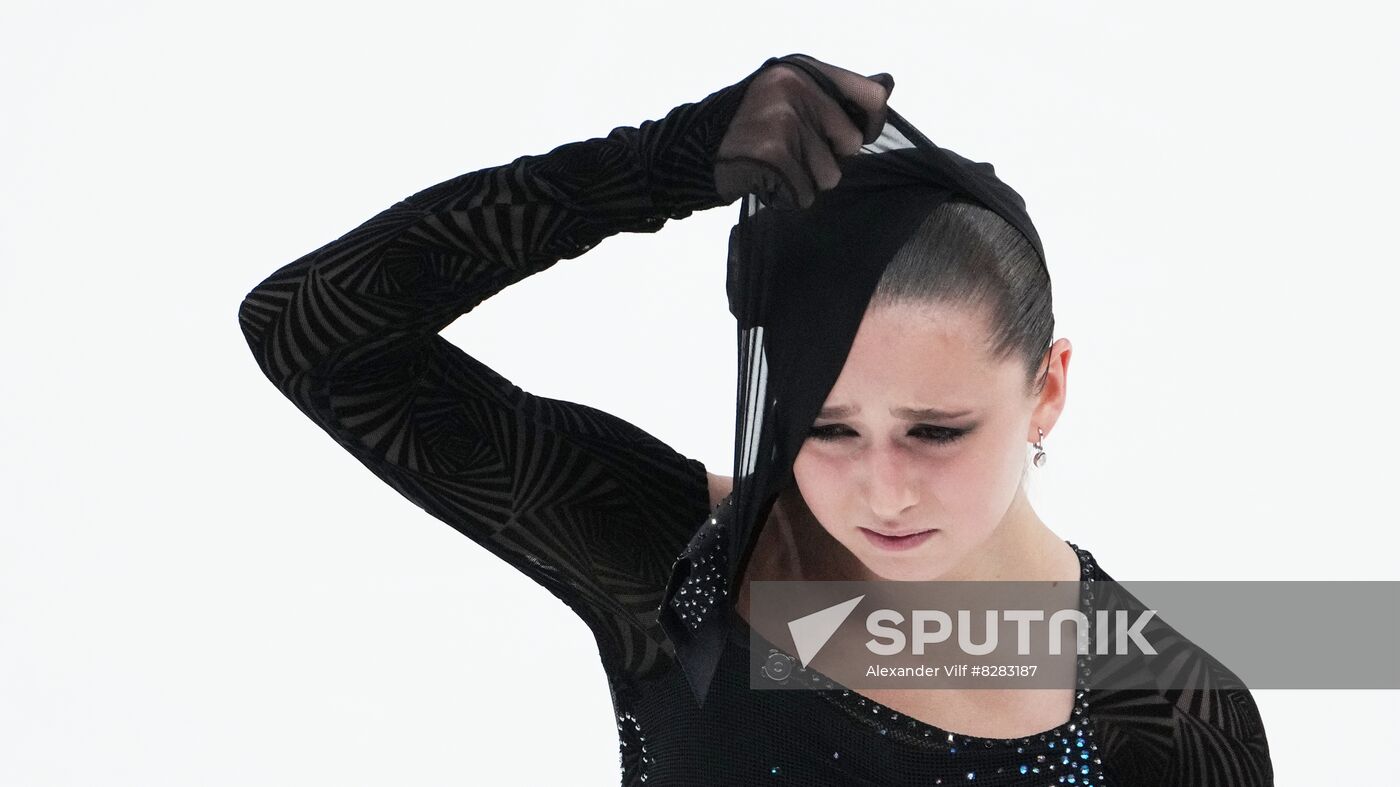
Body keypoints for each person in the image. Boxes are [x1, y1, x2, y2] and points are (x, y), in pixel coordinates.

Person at [239, 53, 1273, 786]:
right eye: (827, 429)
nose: (882, 488)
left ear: (1044, 387)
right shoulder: (681, 568)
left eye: (935, 429)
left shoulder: (1165, 712)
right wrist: (662, 162)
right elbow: (315, 333)